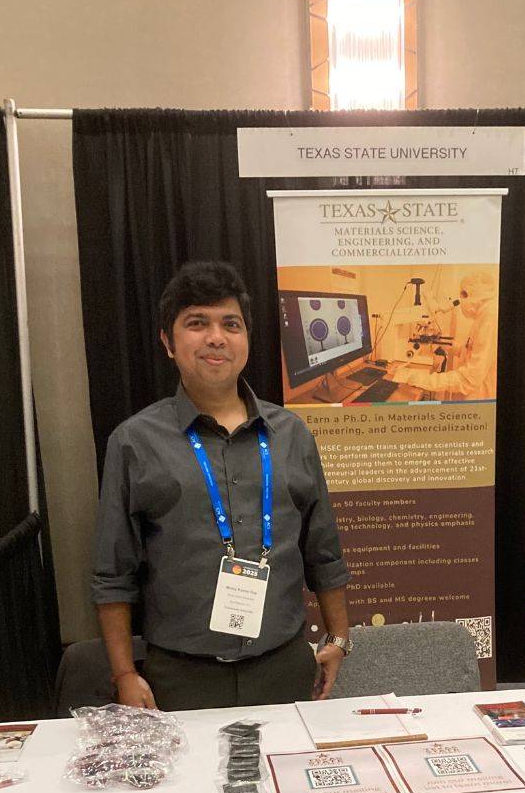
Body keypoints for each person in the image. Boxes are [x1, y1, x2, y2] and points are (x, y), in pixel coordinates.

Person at [92, 261, 351, 712]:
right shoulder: (133, 442)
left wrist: (339, 638)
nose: (216, 337)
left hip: (285, 666)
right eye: (197, 323)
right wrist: (124, 674)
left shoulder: (291, 434)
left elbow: (323, 551)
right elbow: (113, 575)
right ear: (168, 342)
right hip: (179, 676)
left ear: (246, 339)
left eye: (230, 324)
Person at [388, 271, 497, 401]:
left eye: (463, 295)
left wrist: (415, 377)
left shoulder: (489, 318)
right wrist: (450, 347)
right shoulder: (484, 315)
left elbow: (468, 380)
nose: (460, 301)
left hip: (478, 397)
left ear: (472, 294)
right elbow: (470, 352)